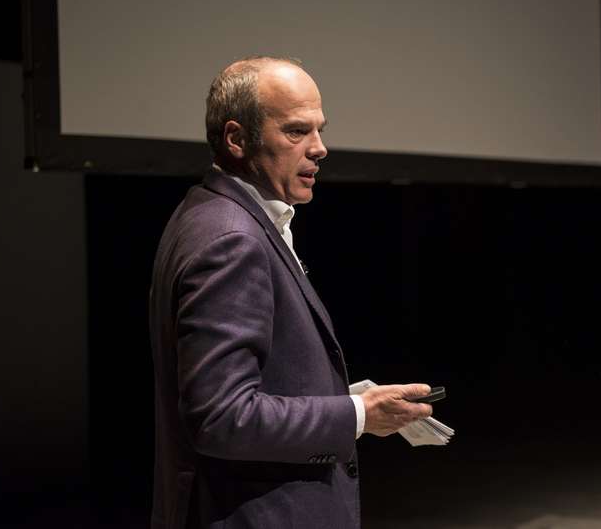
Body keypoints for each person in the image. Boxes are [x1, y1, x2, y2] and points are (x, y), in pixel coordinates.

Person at [148, 56, 434, 529]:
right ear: (237, 139)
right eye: (297, 132)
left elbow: (253, 385)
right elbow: (222, 416)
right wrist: (357, 415)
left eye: (320, 130)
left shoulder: (209, 213)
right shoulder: (231, 240)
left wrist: (342, 398)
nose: (319, 149)